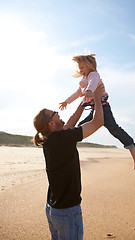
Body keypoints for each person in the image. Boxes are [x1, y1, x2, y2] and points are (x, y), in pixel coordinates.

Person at [33, 84, 105, 240]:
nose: (58, 113)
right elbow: (98, 122)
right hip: (67, 211)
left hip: (53, 209)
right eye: (54, 114)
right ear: (51, 124)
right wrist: (98, 98)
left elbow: (71, 122)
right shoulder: (63, 139)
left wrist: (84, 102)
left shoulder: (50, 139)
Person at [59, 53, 135, 169]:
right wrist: (67, 101)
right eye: (79, 68)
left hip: (103, 107)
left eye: (82, 67)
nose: (80, 70)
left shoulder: (94, 75)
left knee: (113, 128)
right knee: (80, 127)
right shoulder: (84, 79)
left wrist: (89, 91)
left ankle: (132, 148)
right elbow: (77, 93)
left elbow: (93, 84)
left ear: (90, 65)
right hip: (95, 109)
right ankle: (68, 148)